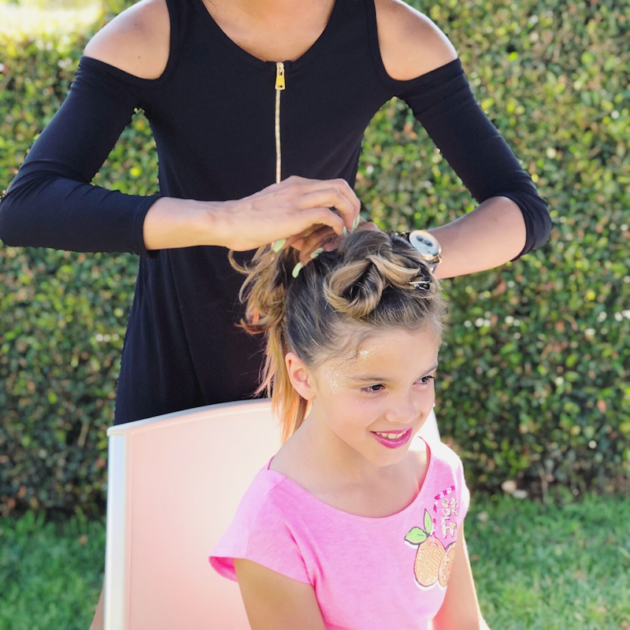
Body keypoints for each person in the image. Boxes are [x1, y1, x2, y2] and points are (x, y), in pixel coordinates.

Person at [0, 0, 550, 624]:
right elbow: (29, 204)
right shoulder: (153, 31)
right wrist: (229, 218)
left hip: (342, 378)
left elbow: (523, 211)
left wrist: (399, 259)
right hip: (181, 364)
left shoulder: (390, 30)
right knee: (144, 602)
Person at [210, 229, 488, 629]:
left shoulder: (439, 473)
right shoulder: (275, 522)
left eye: (423, 379)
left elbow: (464, 623)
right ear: (303, 377)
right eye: (374, 386)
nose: (405, 412)